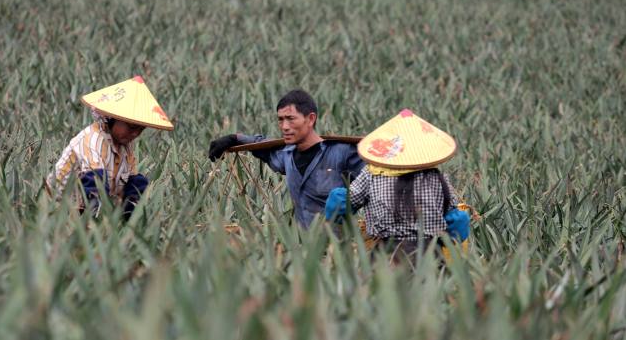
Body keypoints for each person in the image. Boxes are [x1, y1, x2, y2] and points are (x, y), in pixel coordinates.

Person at [324, 109, 470, 265]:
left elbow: (341, 204)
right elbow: (457, 221)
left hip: (386, 256)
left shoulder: (373, 174)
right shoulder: (436, 177)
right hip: (430, 256)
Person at [208, 89, 365, 228]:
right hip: (300, 248)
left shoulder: (342, 153)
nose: (284, 126)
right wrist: (236, 138)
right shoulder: (286, 155)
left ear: (310, 119)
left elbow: (376, 179)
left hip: (338, 252)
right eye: (281, 119)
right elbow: (263, 146)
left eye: (290, 119)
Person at [47, 76, 173, 220]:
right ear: (111, 118)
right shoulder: (92, 140)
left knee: (138, 183)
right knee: (97, 183)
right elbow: (94, 185)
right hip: (59, 206)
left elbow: (131, 182)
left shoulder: (126, 145)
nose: (135, 133)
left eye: (140, 129)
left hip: (93, 202)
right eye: (131, 127)